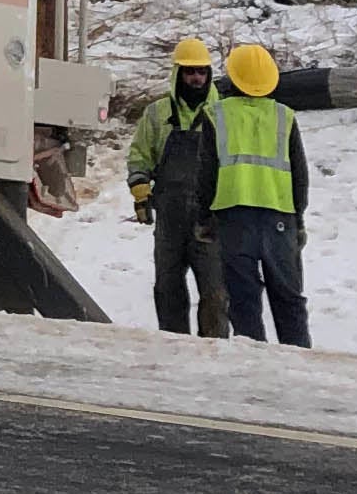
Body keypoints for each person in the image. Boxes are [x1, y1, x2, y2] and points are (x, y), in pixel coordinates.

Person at [123, 37, 231, 338]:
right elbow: (139, 155)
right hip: (170, 220)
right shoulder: (157, 114)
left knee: (215, 293)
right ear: (177, 74)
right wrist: (141, 194)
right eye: (189, 72)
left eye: (201, 72)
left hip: (210, 219)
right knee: (168, 290)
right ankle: (173, 350)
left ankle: (215, 355)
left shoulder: (223, 114)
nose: (196, 78)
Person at [209, 40, 315, 346]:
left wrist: (204, 218)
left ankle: (252, 362)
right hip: (280, 216)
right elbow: (300, 175)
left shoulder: (216, 115)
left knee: (243, 300)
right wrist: (300, 219)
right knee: (288, 298)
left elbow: (207, 172)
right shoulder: (284, 116)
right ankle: (297, 361)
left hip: (233, 216)